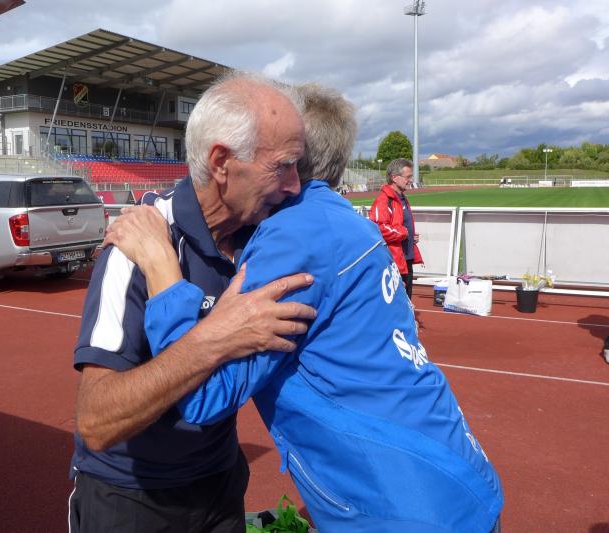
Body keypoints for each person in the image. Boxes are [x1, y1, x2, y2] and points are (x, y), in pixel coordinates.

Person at [107, 84, 503, 531]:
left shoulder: (296, 235)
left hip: (403, 506)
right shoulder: (348, 222)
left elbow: (201, 396)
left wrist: (161, 265)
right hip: (453, 477)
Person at [69, 72, 316, 533]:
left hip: (220, 482)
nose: (295, 185)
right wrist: (217, 337)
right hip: (131, 497)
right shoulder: (140, 245)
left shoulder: (265, 236)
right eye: (282, 166)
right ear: (221, 163)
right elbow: (97, 421)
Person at [369, 158, 423, 298]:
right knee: (397, 302)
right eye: (408, 177)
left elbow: (400, 225)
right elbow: (379, 228)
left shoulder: (402, 198)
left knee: (407, 301)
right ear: (394, 178)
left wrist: (411, 236)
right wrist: (404, 233)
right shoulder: (384, 200)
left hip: (406, 260)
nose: (410, 180)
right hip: (394, 262)